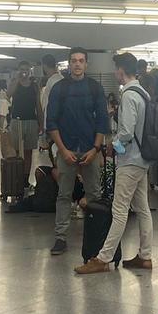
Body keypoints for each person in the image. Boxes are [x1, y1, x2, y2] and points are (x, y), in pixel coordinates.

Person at [76, 53, 154, 274]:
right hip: (142, 160)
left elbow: (127, 132)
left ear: (121, 70)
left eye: (115, 69)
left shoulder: (129, 95)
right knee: (142, 208)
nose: (114, 73)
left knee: (119, 210)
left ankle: (103, 258)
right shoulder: (143, 93)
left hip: (130, 161)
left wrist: (113, 146)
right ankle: (145, 255)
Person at [46, 48, 108, 255]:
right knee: (64, 194)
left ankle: (97, 235)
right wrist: (62, 150)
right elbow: (51, 122)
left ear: (86, 64)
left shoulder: (95, 89)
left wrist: (96, 149)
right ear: (69, 64)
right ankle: (60, 237)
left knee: (95, 195)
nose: (77, 64)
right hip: (67, 149)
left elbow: (102, 122)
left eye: (81, 61)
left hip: (91, 148)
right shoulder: (59, 89)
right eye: (74, 61)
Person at [7, 61, 40, 179]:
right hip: (17, 120)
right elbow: (8, 95)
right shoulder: (15, 83)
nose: (24, 72)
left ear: (30, 70)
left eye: (26, 69)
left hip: (31, 120)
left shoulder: (34, 86)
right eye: (21, 69)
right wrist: (16, 80)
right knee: (16, 151)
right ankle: (17, 176)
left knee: (28, 151)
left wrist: (40, 124)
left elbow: (38, 105)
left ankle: (26, 179)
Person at [38, 54, 63, 159]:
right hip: (59, 124)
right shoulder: (60, 79)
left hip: (53, 125)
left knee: (55, 154)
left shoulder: (52, 81)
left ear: (44, 65)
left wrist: (44, 126)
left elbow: (47, 106)